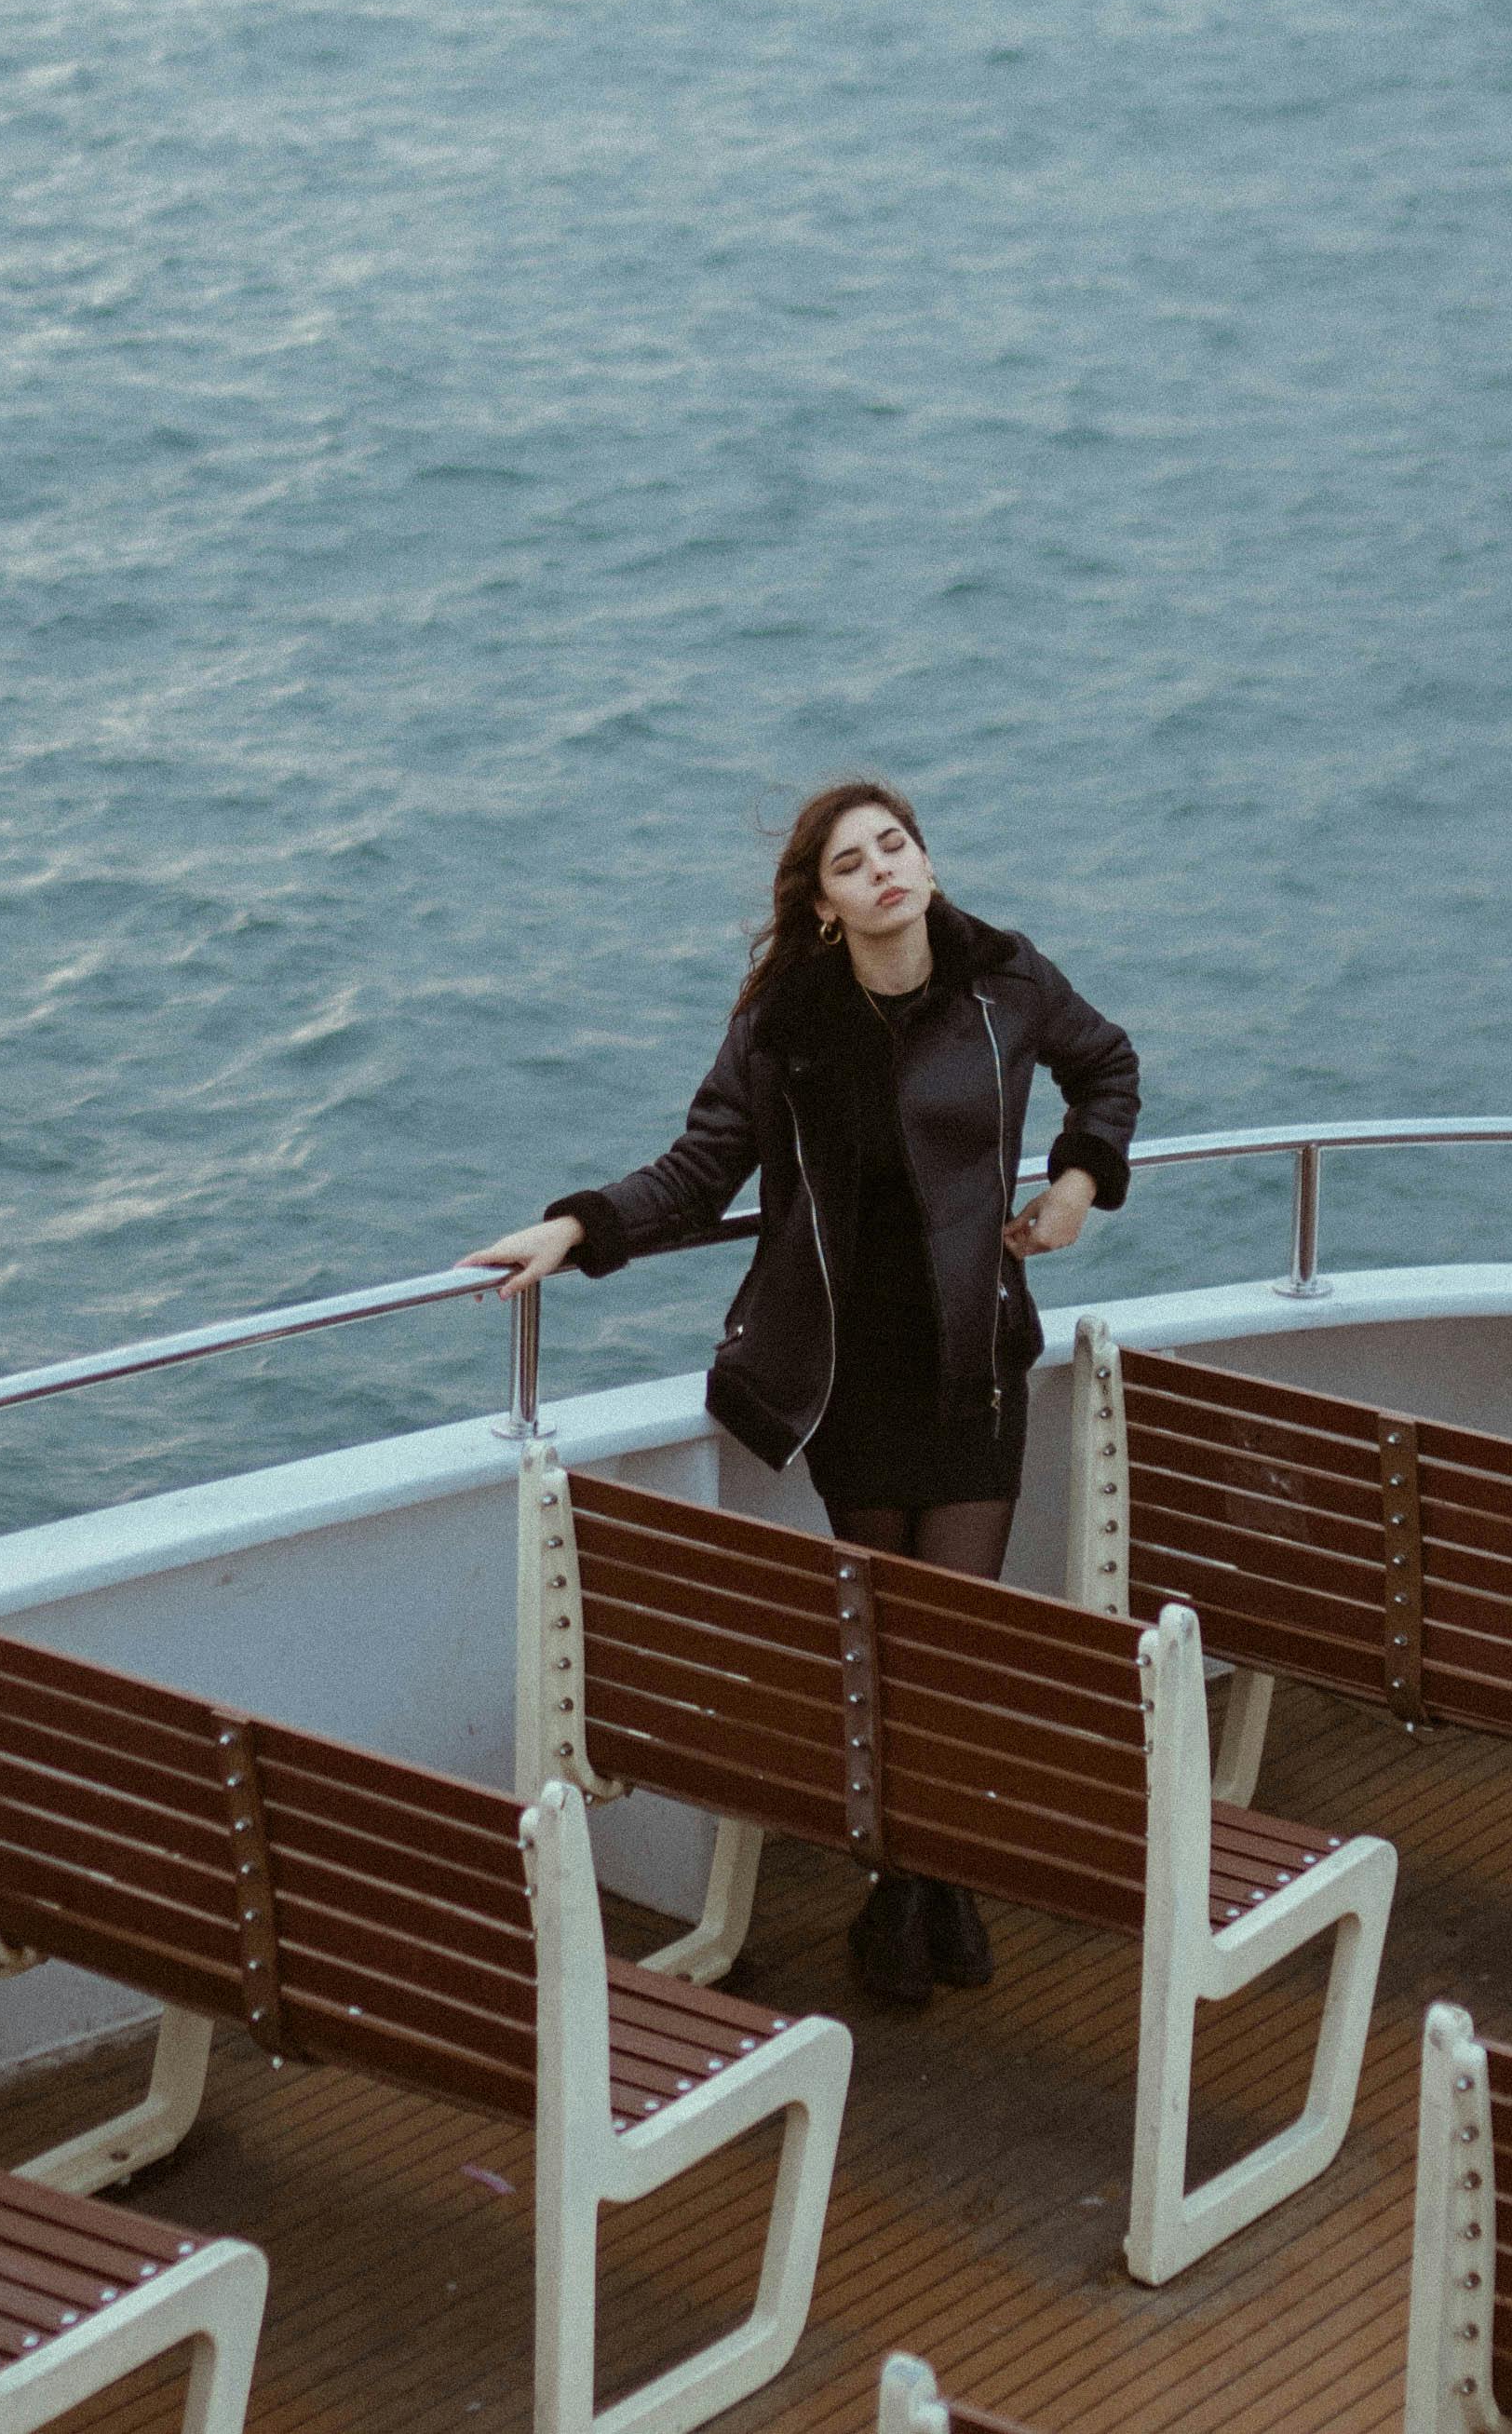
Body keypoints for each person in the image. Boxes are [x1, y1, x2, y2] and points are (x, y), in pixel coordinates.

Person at [465, 778, 1139, 2006]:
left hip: (973, 1356)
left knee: (949, 1640)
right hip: (845, 1377)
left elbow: (1106, 1070)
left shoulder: (1006, 980)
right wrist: (574, 1228)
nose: (882, 867)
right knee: (886, 1639)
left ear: (926, 864)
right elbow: (704, 1160)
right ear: (822, 902)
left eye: (896, 845)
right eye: (850, 861)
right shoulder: (790, 1018)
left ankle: (912, 1883)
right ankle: (921, 1880)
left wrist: (1077, 1189)